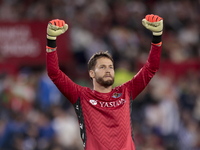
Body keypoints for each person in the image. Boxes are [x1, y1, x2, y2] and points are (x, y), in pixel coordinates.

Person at [46, 14, 163, 150]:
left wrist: (157, 36)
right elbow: (54, 73)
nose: (108, 70)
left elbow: (151, 68)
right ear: (91, 73)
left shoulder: (125, 92)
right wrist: (51, 40)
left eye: (110, 67)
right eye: (102, 67)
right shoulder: (81, 95)